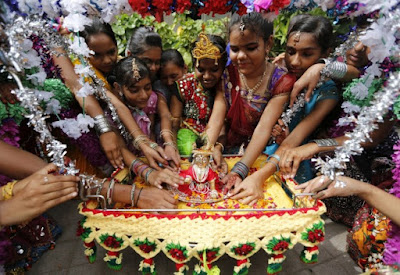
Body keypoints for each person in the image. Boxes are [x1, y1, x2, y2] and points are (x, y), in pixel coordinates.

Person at [228, 14, 340, 206]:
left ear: (325, 53)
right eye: (291, 52)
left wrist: (258, 177)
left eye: (306, 54)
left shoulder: (326, 93)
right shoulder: (282, 74)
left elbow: (292, 142)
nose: (295, 61)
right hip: (258, 152)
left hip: (289, 161)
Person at [208, 12, 296, 197]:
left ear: (268, 44)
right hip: (228, 148)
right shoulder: (228, 73)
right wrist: (206, 151)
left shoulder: (281, 81)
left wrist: (240, 170)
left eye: (251, 48)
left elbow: (264, 128)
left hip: (264, 154)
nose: (241, 56)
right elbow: (217, 117)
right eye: (235, 49)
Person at [126, 26, 180, 164]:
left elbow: (164, 113)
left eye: (157, 62)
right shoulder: (121, 79)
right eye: (147, 61)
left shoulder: (159, 83)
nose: (154, 68)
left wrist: (169, 143)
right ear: (129, 54)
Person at [170, 33, 227, 155]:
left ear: (223, 66)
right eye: (201, 70)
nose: (207, 76)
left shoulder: (228, 86)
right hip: (188, 134)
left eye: (214, 70)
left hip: (221, 136)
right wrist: (172, 147)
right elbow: (174, 122)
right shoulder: (184, 85)